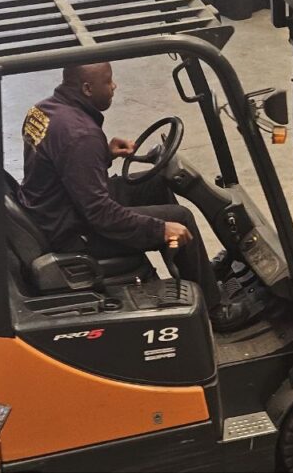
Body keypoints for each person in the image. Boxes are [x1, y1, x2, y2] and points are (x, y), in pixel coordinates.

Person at [17, 62, 254, 330]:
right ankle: (215, 311)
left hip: (56, 207)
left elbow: (61, 162)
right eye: (108, 81)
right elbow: (100, 214)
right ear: (86, 88)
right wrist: (160, 229)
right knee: (180, 219)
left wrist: (104, 153)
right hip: (72, 232)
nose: (114, 86)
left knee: (153, 183)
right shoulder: (81, 135)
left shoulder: (44, 110)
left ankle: (194, 270)